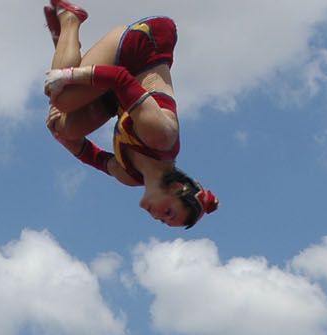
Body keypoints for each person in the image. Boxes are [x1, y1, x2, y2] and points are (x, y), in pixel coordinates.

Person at [42, 6, 218, 228]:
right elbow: (120, 78)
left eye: (164, 221)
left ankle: (64, 45)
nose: (158, 217)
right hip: (145, 48)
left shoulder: (130, 176)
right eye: (168, 212)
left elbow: (92, 156)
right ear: (176, 188)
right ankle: (70, 19)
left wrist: (64, 139)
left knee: (66, 127)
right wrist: (68, 75)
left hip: (119, 94)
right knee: (64, 98)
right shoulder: (161, 137)